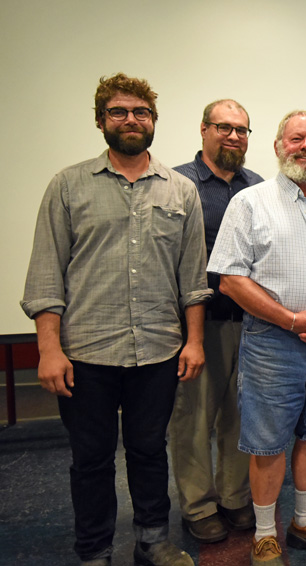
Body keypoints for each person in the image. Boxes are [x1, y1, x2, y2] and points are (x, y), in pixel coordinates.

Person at [20, 73, 210, 566]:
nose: (131, 120)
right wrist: (49, 349)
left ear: (154, 121)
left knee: (150, 451)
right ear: (101, 120)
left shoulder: (181, 191)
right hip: (85, 353)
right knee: (91, 460)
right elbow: (45, 275)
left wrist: (194, 342)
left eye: (141, 112)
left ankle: (151, 540)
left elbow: (192, 280)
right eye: (119, 112)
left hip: (158, 349)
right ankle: (94, 550)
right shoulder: (67, 185)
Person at [207, 110, 306, 565]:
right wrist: (290, 320)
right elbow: (230, 279)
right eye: (296, 139)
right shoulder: (251, 203)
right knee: (269, 443)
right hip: (272, 343)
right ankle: (266, 533)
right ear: (277, 147)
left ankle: (305, 521)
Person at [170, 99, 264, 543]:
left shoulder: (259, 186)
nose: (233, 136)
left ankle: (234, 496)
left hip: (253, 322)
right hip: (198, 322)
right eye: (224, 128)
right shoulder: (177, 183)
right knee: (194, 417)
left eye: (242, 130)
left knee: (240, 416)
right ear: (204, 130)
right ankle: (199, 505)